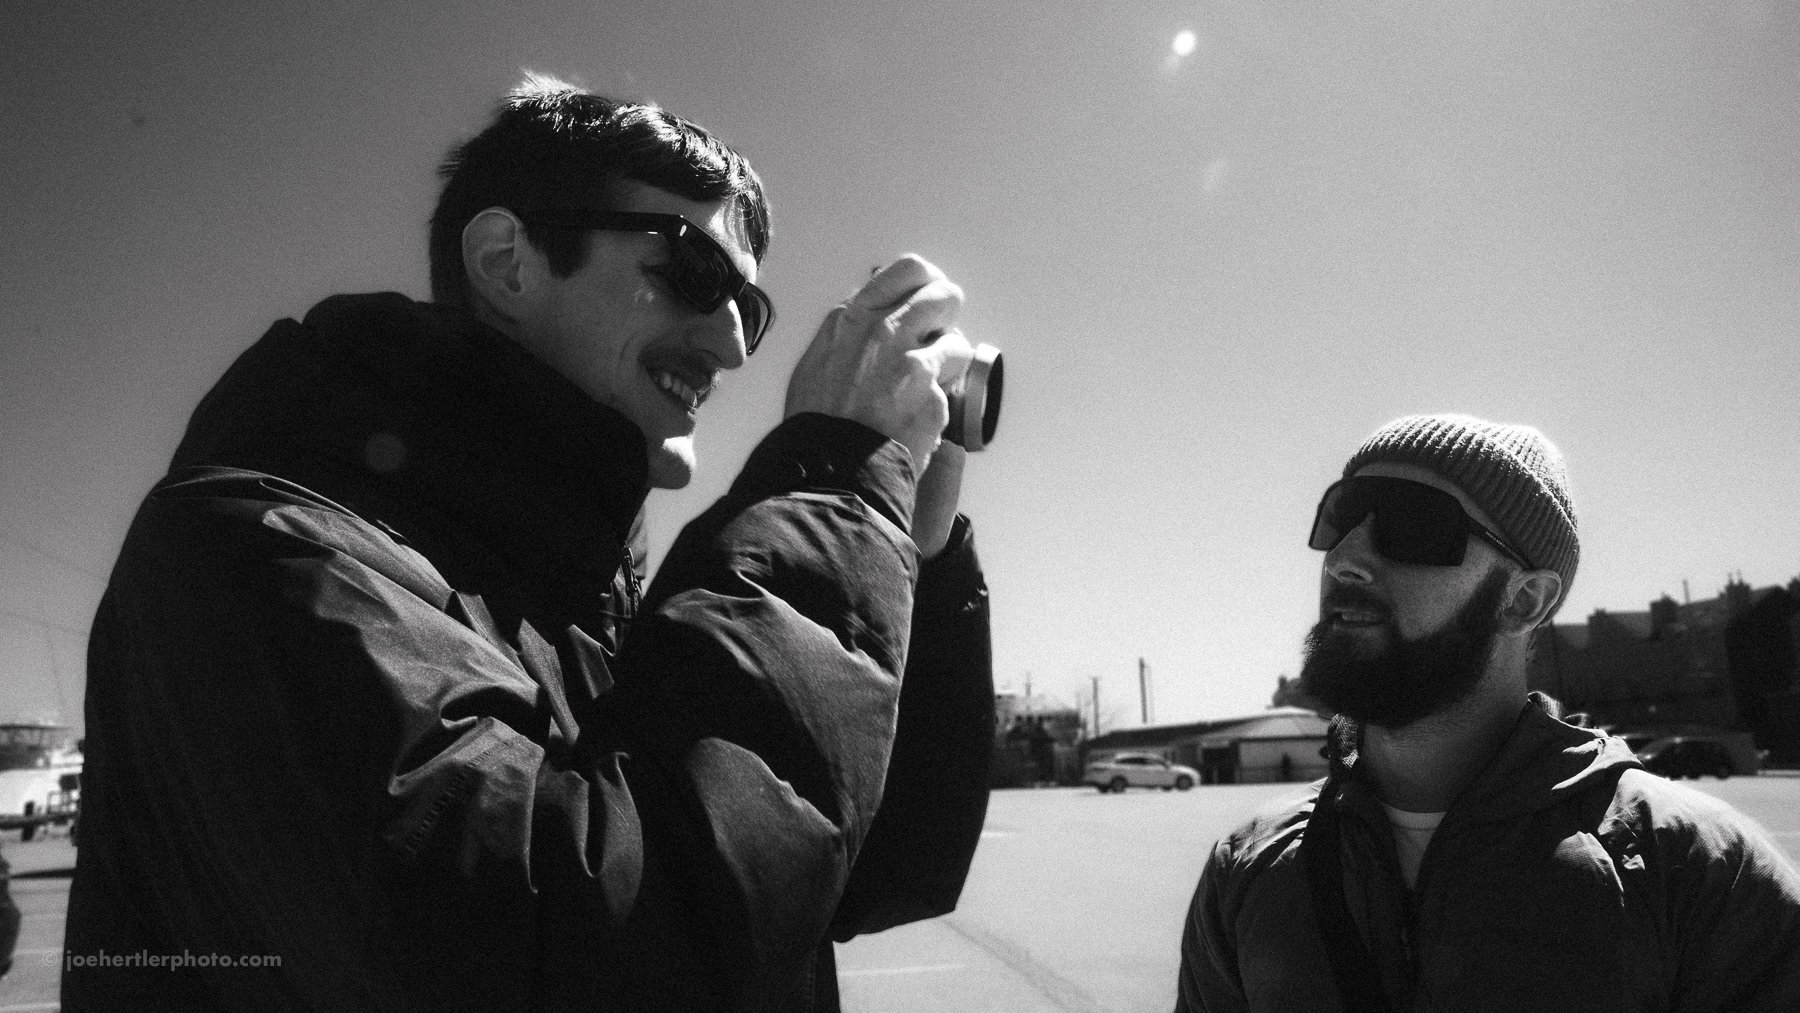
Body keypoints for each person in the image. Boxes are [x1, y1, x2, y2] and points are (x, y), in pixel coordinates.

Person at [65, 75, 994, 1012]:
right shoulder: (253, 551)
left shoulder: (590, 604)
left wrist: (916, 553)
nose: (733, 346)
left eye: (749, 311)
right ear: (508, 261)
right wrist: (828, 482)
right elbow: (602, 948)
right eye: (694, 273)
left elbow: (870, 869)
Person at [1176, 413, 1800, 1012]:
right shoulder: (1250, 868)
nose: (1344, 558)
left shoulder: (1695, 871)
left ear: (1524, 598)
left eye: (1412, 526)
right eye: (1340, 519)